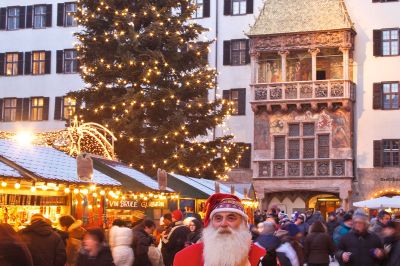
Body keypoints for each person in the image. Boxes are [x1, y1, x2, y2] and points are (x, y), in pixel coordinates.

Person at [173, 193, 266, 266]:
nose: (223, 224)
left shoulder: (261, 256)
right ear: (211, 223)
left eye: (231, 218)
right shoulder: (184, 258)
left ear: (243, 224)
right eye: (218, 218)